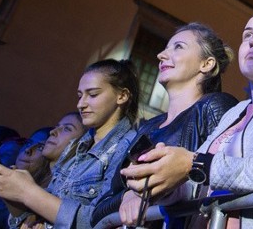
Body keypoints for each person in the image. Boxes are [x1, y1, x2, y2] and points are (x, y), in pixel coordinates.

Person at [120, 11, 253, 229]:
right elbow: (195, 184)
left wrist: (197, 164)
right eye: (247, 35)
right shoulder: (235, 112)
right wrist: (160, 181)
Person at [91, 23, 238, 225]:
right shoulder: (147, 127)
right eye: (165, 48)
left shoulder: (215, 106)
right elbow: (99, 208)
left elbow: (226, 175)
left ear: (206, 64)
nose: (161, 55)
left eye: (178, 47)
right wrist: (128, 196)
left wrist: (149, 193)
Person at [0, 60, 139, 229]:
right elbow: (45, 210)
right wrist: (10, 191)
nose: (81, 104)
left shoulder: (128, 148)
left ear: (122, 96)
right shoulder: (77, 146)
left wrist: (27, 192)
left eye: (93, 94)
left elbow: (98, 221)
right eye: (80, 96)